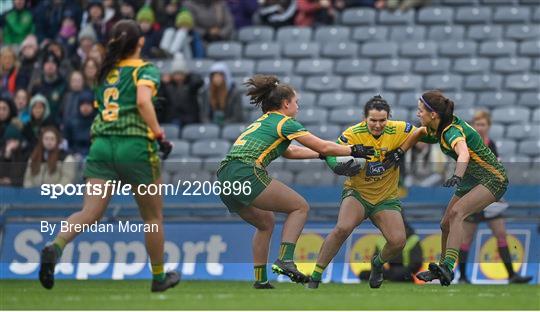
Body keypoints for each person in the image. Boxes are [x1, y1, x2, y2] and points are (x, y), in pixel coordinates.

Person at [38, 19, 178, 292]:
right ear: (140, 42)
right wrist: (159, 135)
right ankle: (159, 277)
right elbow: (142, 101)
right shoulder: (145, 69)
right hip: (134, 145)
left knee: (90, 212)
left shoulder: (104, 73)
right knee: (152, 218)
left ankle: (56, 246)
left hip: (101, 145)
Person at [216, 74, 375, 289]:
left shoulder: (263, 121)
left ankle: (261, 280)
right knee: (300, 207)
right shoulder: (285, 122)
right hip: (246, 171)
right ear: (285, 103)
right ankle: (285, 259)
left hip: (225, 175)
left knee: (265, 223)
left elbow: (290, 152)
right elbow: (324, 146)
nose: (298, 106)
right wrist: (353, 150)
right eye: (296, 102)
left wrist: (319, 156)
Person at [384, 90, 510, 286]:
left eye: (420, 111)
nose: (418, 114)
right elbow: (417, 132)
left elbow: (464, 154)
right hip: (472, 179)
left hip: (492, 178)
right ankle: (442, 270)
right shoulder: (437, 126)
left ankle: (448, 267)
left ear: (433, 114)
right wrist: (400, 151)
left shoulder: (451, 131)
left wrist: (457, 175)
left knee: (458, 213)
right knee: (445, 224)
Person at [307, 95, 418, 289]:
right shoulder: (352, 134)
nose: (377, 125)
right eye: (373, 120)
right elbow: (330, 155)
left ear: (388, 118)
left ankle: (377, 264)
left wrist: (402, 149)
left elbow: (422, 132)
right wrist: (338, 167)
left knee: (398, 241)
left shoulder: (399, 129)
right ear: (364, 118)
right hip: (358, 193)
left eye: (382, 120)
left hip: (386, 197)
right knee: (342, 228)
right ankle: (315, 276)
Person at [457, 110, 532, 284]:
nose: (479, 127)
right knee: (467, 237)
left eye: (482, 124)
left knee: (501, 233)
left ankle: (512, 275)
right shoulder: (469, 145)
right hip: (474, 196)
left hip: (490, 196)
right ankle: (462, 276)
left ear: (488, 126)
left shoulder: (491, 144)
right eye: (477, 124)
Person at [359, 219, 423, 283]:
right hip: (386, 271)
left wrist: (404, 270)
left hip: (403, 271)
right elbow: (375, 260)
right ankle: (385, 277)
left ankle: (387, 279)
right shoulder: (381, 239)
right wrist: (380, 271)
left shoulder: (412, 239)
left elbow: (416, 263)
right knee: (363, 274)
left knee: (399, 274)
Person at [159, 58, 204, 127]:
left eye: (181, 74)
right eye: (176, 74)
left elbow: (199, 81)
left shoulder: (190, 84)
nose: (178, 77)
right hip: (173, 119)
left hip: (190, 118)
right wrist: (162, 82)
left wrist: (189, 75)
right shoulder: (167, 86)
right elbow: (160, 97)